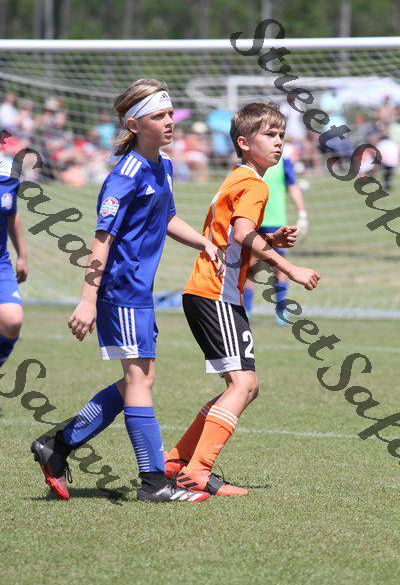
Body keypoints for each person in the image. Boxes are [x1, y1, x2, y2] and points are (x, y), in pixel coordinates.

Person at [30, 78, 222, 503]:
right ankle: (153, 482)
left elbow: (167, 218)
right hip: (119, 291)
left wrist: (204, 242)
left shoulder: (163, 165)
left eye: (170, 114)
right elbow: (101, 240)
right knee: (138, 379)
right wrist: (88, 300)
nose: (169, 122)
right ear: (134, 125)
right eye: (159, 116)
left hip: (139, 292)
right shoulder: (124, 176)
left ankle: (58, 445)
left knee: (141, 378)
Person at [164, 102, 320, 496]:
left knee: (246, 385)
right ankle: (197, 472)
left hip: (214, 293)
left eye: (281, 134)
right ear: (244, 142)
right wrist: (290, 268)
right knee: (243, 383)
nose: (279, 142)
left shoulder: (237, 178)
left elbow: (235, 239)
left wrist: (266, 240)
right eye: (270, 135)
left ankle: (177, 461)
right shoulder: (255, 184)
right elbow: (239, 234)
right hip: (214, 293)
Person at [242, 154, 308, 324]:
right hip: (253, 220)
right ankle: (245, 310)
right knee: (251, 267)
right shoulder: (249, 161)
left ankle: (281, 311)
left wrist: (302, 213)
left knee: (279, 267)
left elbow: (292, 186)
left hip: (275, 222)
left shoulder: (283, 162)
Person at [0, 156, 28, 415]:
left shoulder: (9, 171)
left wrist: (22, 254)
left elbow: (12, 212)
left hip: (0, 263)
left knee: (12, 320)